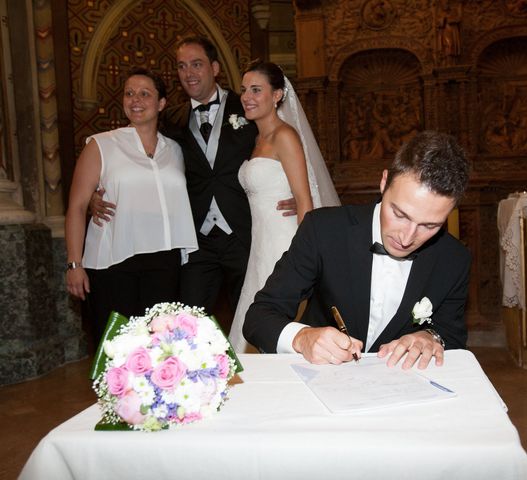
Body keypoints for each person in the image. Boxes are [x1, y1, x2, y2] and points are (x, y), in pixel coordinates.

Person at [91, 36, 296, 316]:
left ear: (214, 68)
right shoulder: (171, 119)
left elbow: (280, 146)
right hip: (197, 241)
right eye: (182, 66)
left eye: (196, 64)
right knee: (189, 321)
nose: (189, 73)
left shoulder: (248, 106)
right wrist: (95, 191)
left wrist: (295, 192)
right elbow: (143, 160)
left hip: (245, 233)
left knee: (253, 317)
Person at [244, 130, 471, 370]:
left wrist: (430, 337)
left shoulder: (454, 259)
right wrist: (302, 338)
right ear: (384, 182)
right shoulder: (323, 230)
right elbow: (259, 317)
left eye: (429, 226)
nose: (407, 238)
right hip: (321, 380)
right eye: (400, 214)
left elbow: (452, 336)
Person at [65, 68, 198, 345]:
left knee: (160, 350)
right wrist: (74, 263)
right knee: (118, 349)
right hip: (115, 260)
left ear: (161, 103)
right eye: (129, 93)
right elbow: (77, 206)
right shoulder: (101, 144)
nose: (135, 99)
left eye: (145, 94)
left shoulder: (175, 149)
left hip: (165, 261)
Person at [228, 61, 340, 353]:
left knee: (274, 322)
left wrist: (302, 258)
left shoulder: (285, 136)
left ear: (277, 95)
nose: (247, 97)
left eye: (256, 90)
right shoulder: (257, 138)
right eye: (244, 90)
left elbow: (304, 200)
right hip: (260, 244)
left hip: (283, 243)